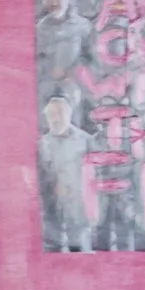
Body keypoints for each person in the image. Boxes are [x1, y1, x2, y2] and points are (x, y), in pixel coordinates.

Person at [39, 95, 93, 252]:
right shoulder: (41, 145)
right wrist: (52, 185)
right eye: (51, 114)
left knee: (83, 254)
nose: (56, 118)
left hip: (81, 214)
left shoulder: (86, 141)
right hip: (52, 216)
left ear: (69, 114)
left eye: (60, 113)